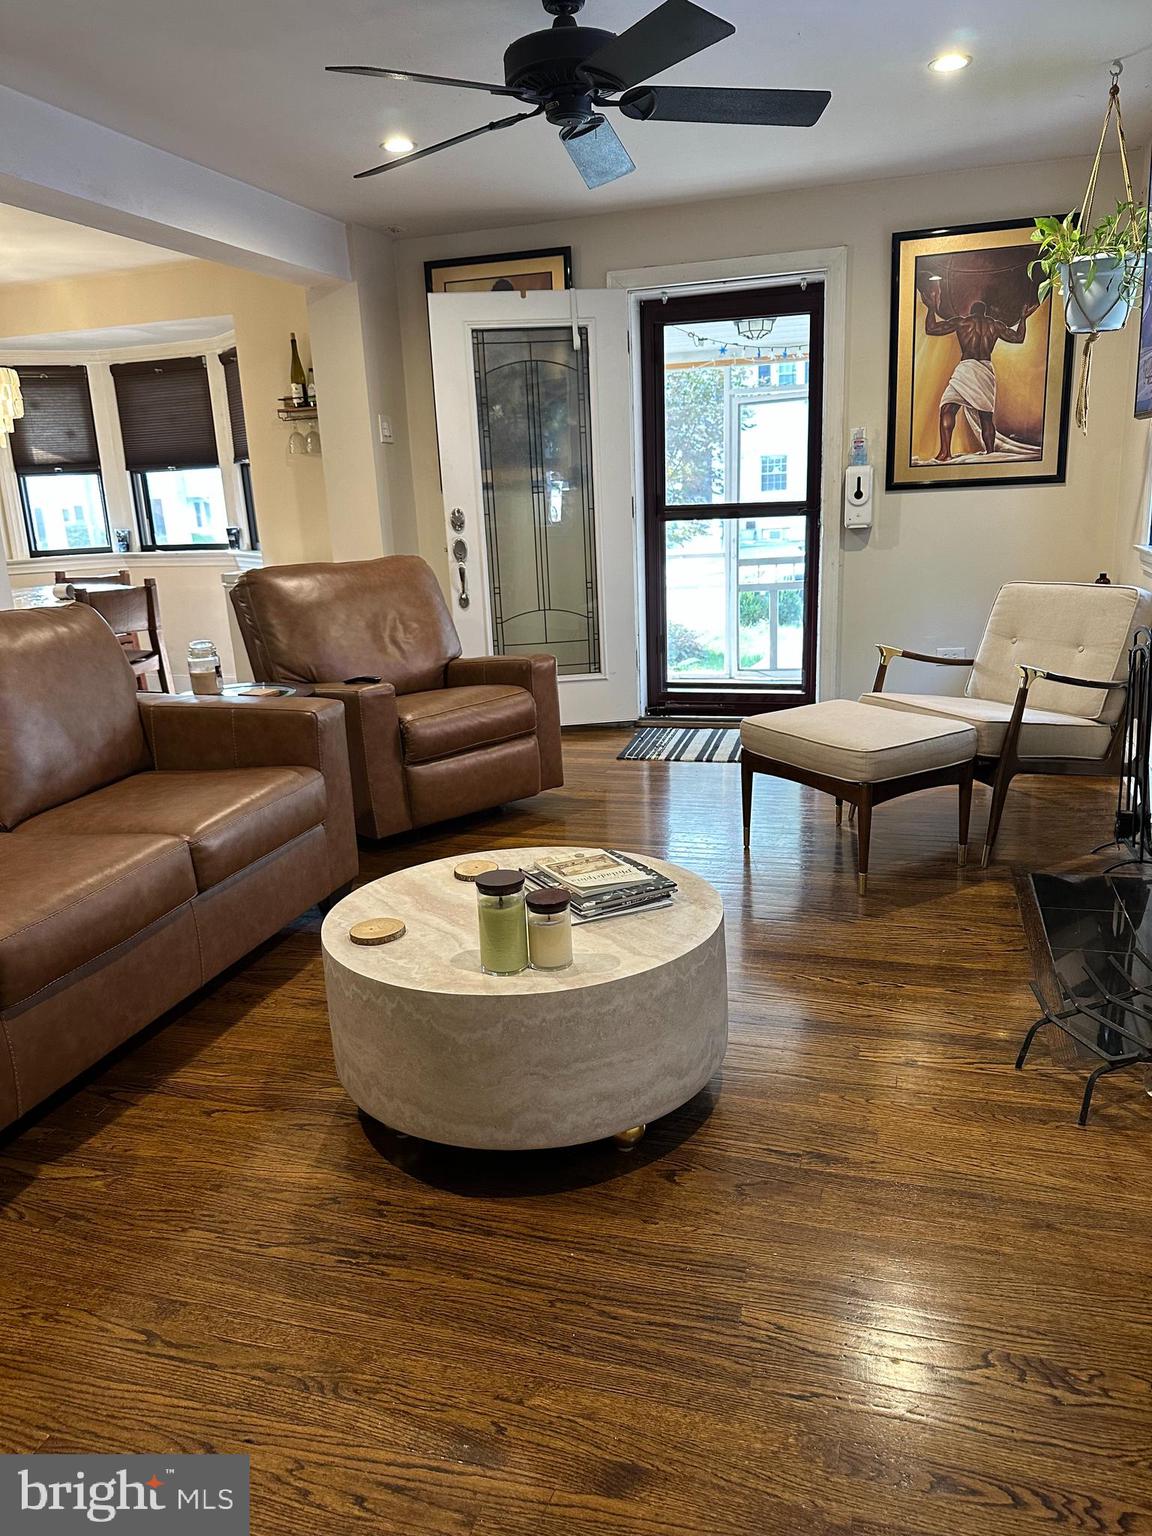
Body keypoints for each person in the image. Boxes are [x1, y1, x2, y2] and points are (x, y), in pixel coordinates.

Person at [924, 294, 1039, 460]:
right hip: (985, 370)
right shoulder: (995, 325)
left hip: (967, 368)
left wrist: (931, 307)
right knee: (986, 417)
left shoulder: (962, 322)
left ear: (972, 311)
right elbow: (1018, 338)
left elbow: (932, 329)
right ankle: (990, 453)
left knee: (947, 409)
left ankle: (945, 452)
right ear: (985, 312)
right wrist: (1023, 318)